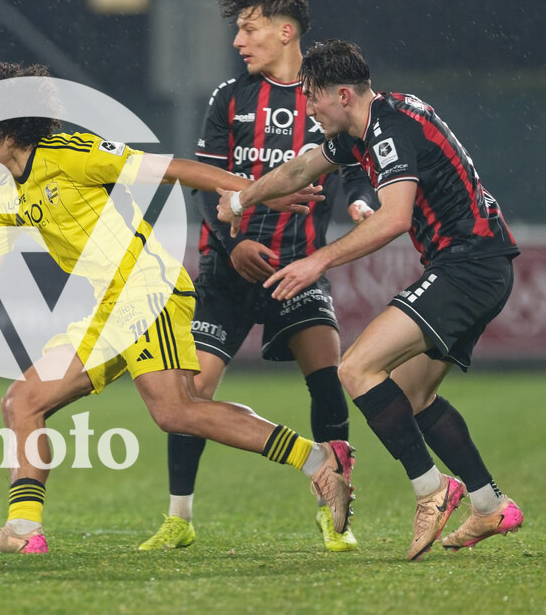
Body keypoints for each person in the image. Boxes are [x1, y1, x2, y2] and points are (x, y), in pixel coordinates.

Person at [0, 60, 356, 554]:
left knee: (175, 410)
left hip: (146, 290)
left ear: (8, 131)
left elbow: (173, 168)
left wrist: (254, 195)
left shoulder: (72, 153)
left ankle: (318, 462)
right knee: (24, 402)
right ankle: (23, 529)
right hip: (110, 306)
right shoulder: (6, 192)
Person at [217, 39, 523, 561]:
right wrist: (242, 198)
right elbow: (299, 170)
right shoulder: (367, 126)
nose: (308, 107)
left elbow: (395, 217)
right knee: (412, 394)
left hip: (468, 265)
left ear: (341, 95)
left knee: (355, 369)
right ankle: (490, 503)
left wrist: (318, 260)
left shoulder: (387, 127)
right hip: (477, 265)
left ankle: (432, 490)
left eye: (313, 97)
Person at [139, 0, 376, 554]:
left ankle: (334, 512)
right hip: (225, 267)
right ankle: (179, 517)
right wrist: (232, 242)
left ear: (285, 31)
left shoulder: (329, 99)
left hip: (296, 267)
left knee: (328, 382)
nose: (239, 40)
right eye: (239, 29)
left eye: (249, 28)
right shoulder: (230, 97)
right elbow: (204, 184)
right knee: (190, 394)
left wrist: (360, 199)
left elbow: (350, 163)